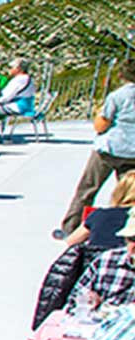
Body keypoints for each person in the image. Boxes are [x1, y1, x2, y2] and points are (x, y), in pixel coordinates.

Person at [56, 57, 135, 238]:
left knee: (88, 188)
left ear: (122, 75)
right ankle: (127, 230)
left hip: (109, 149)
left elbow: (101, 125)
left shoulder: (117, 96)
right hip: (133, 152)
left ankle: (71, 228)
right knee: (129, 193)